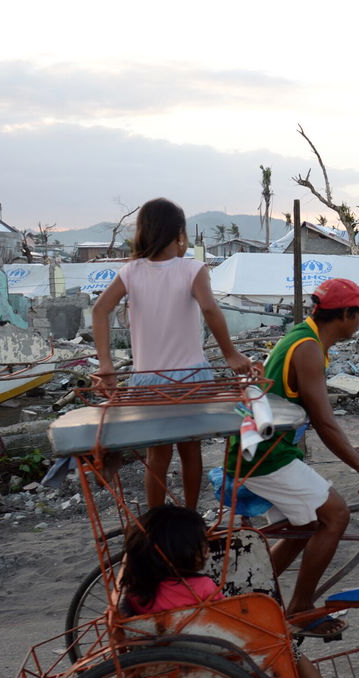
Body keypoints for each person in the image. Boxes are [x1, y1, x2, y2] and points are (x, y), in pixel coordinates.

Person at [121, 504, 359, 678]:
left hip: (171, 656)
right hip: (220, 658)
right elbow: (229, 625)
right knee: (286, 646)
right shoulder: (199, 587)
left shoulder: (138, 591)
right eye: (201, 546)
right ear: (179, 552)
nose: (207, 551)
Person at [228, 278, 359, 639]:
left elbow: (311, 415)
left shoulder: (306, 337)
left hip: (260, 447)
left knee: (303, 527)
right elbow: (323, 420)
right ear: (345, 315)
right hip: (266, 454)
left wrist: (351, 450)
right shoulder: (308, 348)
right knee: (336, 515)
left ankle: (246, 595)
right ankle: (300, 608)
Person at [92, 198, 252, 508]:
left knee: (157, 455)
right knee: (190, 452)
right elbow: (209, 308)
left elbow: (100, 310)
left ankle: (155, 520)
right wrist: (231, 354)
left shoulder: (131, 271)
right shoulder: (192, 268)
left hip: (147, 381)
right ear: (180, 233)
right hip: (192, 378)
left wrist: (106, 364)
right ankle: (190, 515)